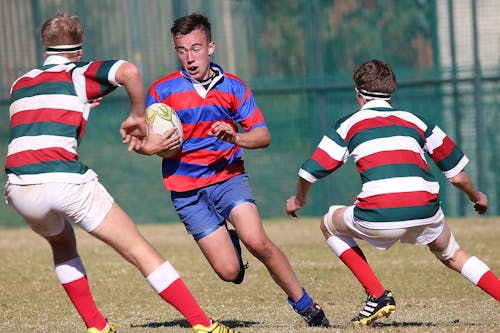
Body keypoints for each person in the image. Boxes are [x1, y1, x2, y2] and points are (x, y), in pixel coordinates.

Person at [4, 13, 238, 333]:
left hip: (19, 187)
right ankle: (203, 324)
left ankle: (97, 325)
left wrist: (85, 101)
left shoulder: (21, 83)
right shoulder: (78, 72)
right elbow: (128, 71)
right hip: (64, 180)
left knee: (62, 243)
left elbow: (45, 114)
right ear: (79, 51)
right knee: (138, 248)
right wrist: (138, 116)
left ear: (44, 48)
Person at [138, 13, 330, 327]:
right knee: (229, 272)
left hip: (228, 177)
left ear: (211, 47)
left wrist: (235, 136)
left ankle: (307, 305)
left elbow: (262, 136)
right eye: (182, 50)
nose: (190, 57)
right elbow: (155, 144)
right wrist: (152, 145)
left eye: (196, 48)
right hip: (187, 191)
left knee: (257, 241)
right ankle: (231, 244)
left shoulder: (233, 87)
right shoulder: (162, 93)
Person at [286, 59, 500, 326]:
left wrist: (299, 200)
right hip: (427, 210)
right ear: (390, 92)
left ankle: (377, 295)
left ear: (359, 95)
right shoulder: (417, 121)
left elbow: (307, 173)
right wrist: (477, 197)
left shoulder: (349, 124)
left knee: (329, 224)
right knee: (453, 254)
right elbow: (456, 175)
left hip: (378, 213)